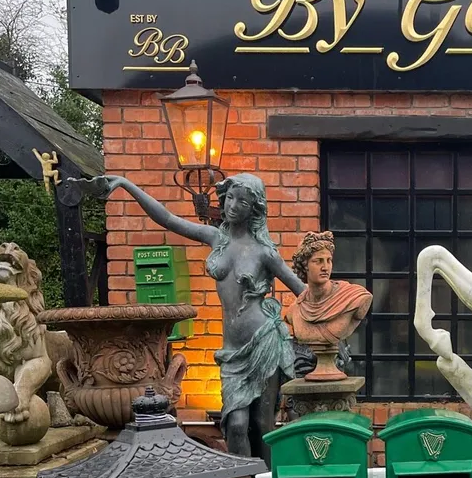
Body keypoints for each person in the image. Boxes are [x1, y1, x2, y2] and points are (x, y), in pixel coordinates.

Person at [100, 172, 303, 462]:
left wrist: (336, 305)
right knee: (235, 425)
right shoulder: (215, 237)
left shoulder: (264, 252)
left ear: (254, 208)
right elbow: (169, 220)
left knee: (263, 425)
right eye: (230, 197)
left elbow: (301, 290)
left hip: (264, 343)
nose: (232, 206)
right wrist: (126, 184)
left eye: (242, 202)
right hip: (233, 352)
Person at [284, 232, 371, 377]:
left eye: (329, 260)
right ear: (305, 266)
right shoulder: (295, 310)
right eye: (318, 261)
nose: (325, 267)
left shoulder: (354, 297)